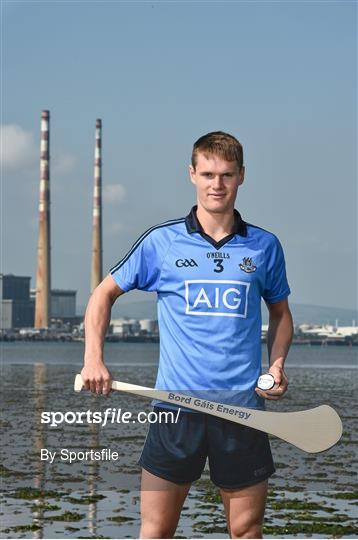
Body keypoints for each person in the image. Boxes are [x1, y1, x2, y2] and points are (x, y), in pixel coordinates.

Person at [81, 131, 293, 539]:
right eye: (209, 174)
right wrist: (94, 358)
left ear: (241, 177)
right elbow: (102, 295)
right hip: (176, 409)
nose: (217, 184)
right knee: (157, 529)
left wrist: (278, 364)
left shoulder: (264, 246)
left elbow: (281, 314)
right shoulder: (161, 241)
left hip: (242, 412)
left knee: (246, 530)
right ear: (192, 174)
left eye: (227, 175)